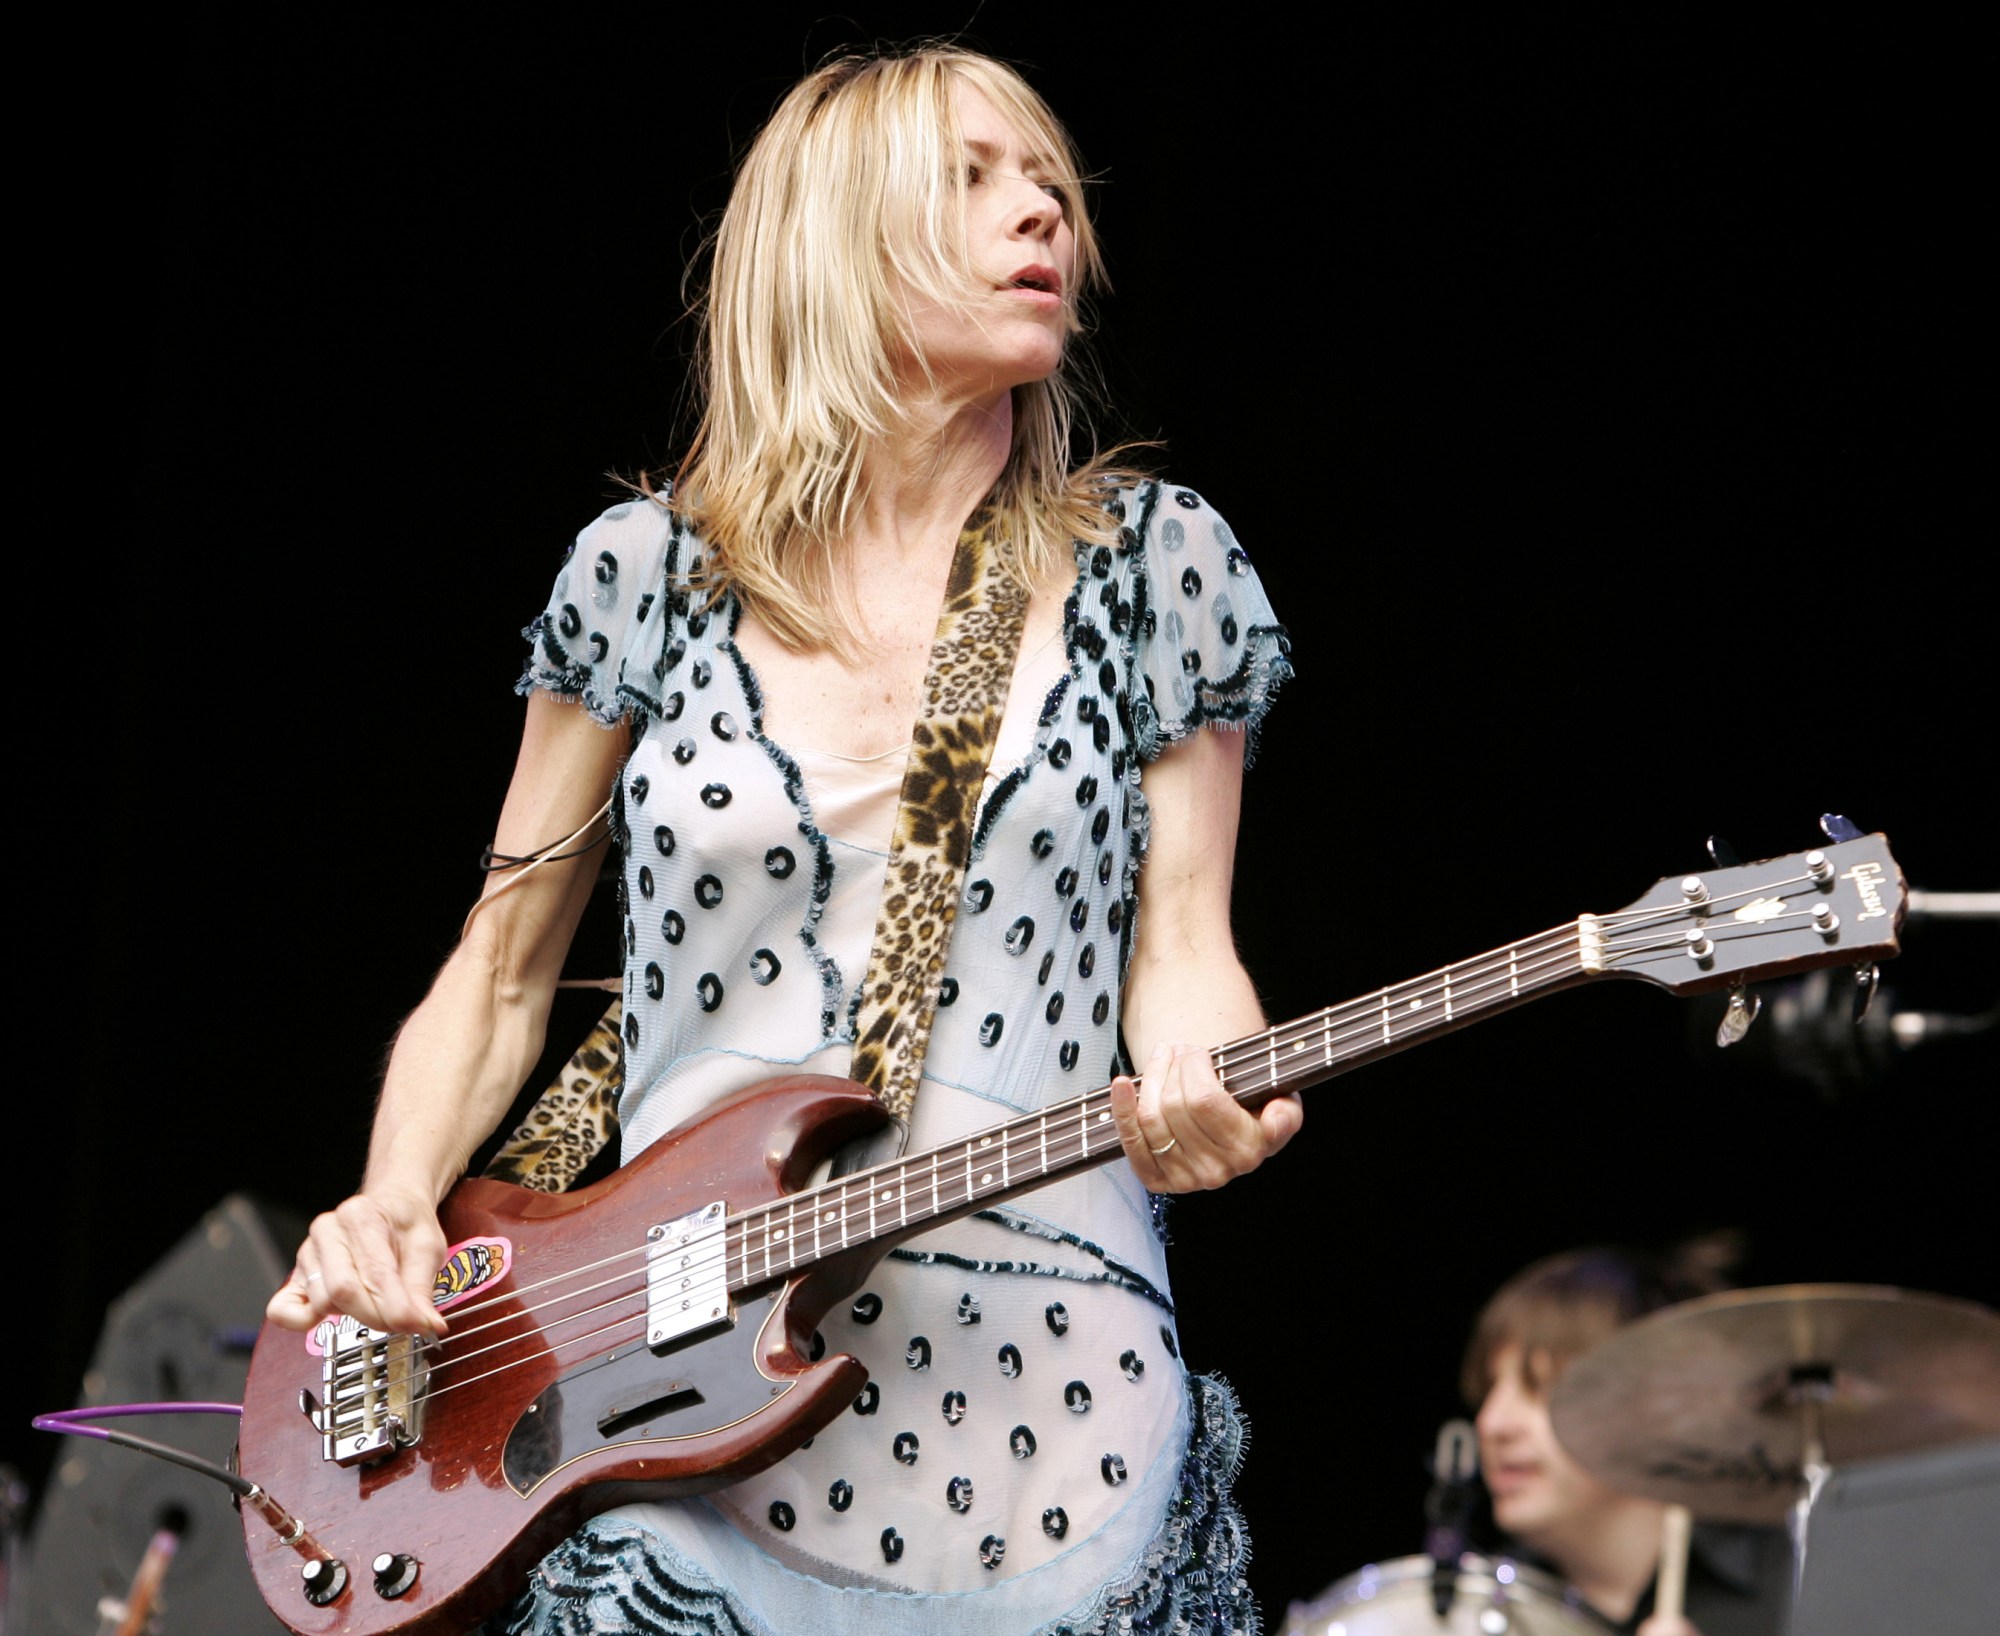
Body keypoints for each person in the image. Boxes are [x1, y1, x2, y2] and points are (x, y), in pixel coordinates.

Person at [264, 45, 1300, 1636]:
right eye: (972, 177)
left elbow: (1184, 958)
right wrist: (397, 1198)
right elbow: (500, 967)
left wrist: (1207, 1091)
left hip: (1061, 1431)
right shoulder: (648, 578)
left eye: (1051, 184)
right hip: (674, 1424)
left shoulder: (1153, 567)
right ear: (832, 235)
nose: (1047, 214)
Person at [1462, 1240, 1791, 1636]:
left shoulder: (1798, 1585)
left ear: (1661, 1407)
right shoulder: (1476, 1612)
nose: (1492, 1423)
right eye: (1489, 1390)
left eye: (1543, 1389)